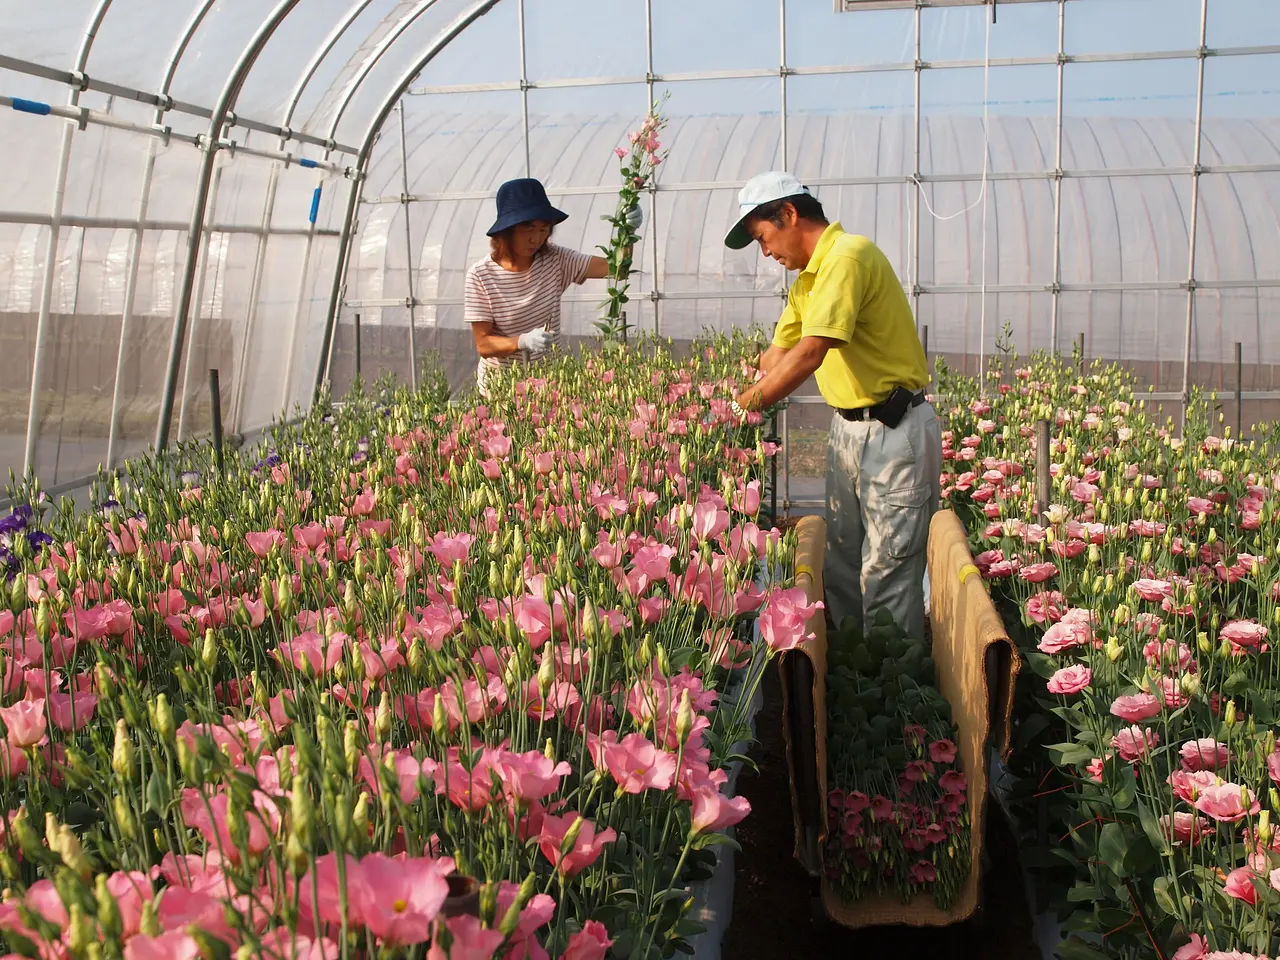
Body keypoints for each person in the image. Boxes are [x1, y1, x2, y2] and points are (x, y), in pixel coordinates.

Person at [725, 171, 941, 641]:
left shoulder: (848, 256)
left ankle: (893, 688)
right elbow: (777, 355)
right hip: (849, 429)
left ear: (788, 214)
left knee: (889, 565)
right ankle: (849, 679)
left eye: (763, 238)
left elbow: (810, 351)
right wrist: (731, 388)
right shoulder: (809, 282)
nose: (766, 253)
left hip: (893, 428)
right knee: (843, 560)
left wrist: (736, 411)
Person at [464, 177, 641, 396]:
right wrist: (521, 341)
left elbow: (616, 270)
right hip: (501, 389)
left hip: (549, 385)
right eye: (528, 229)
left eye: (543, 229)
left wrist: (628, 232)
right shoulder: (481, 275)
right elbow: (484, 344)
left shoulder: (555, 260)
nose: (536, 239)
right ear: (507, 231)